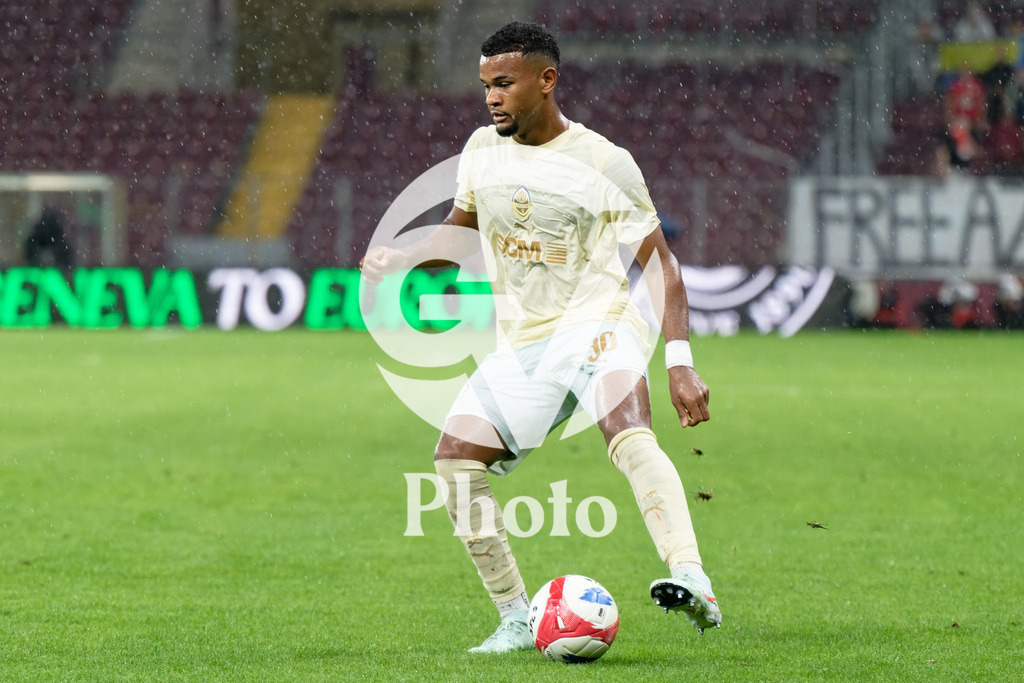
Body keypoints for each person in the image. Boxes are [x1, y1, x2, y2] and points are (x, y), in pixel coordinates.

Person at [361, 21, 720, 652]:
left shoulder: (604, 161)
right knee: (453, 463)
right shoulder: (480, 151)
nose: (491, 97)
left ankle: (691, 577)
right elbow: (459, 236)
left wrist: (680, 362)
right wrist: (408, 259)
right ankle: (516, 618)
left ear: (546, 80)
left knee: (628, 433)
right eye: (485, 86)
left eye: (504, 83)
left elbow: (660, 263)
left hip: (599, 322)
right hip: (525, 342)